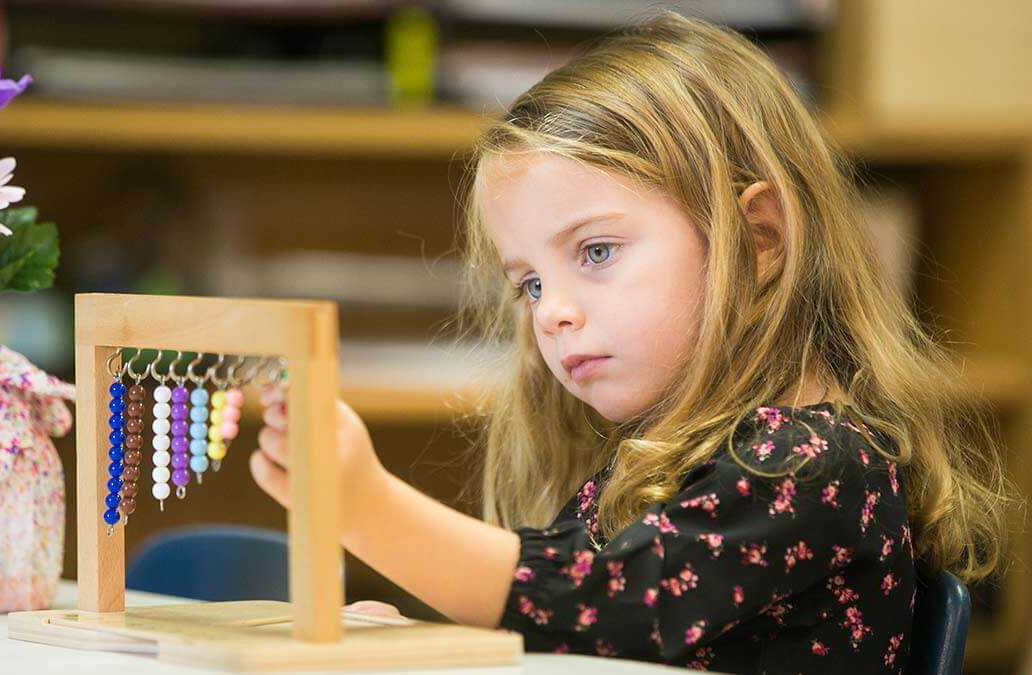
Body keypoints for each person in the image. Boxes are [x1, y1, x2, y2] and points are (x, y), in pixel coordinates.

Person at [250, 11, 1014, 673]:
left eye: (595, 252)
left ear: (758, 238)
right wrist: (425, 640)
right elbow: (566, 636)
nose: (550, 314)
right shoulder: (668, 457)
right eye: (531, 284)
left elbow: (604, 606)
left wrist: (366, 505)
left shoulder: (812, 465)